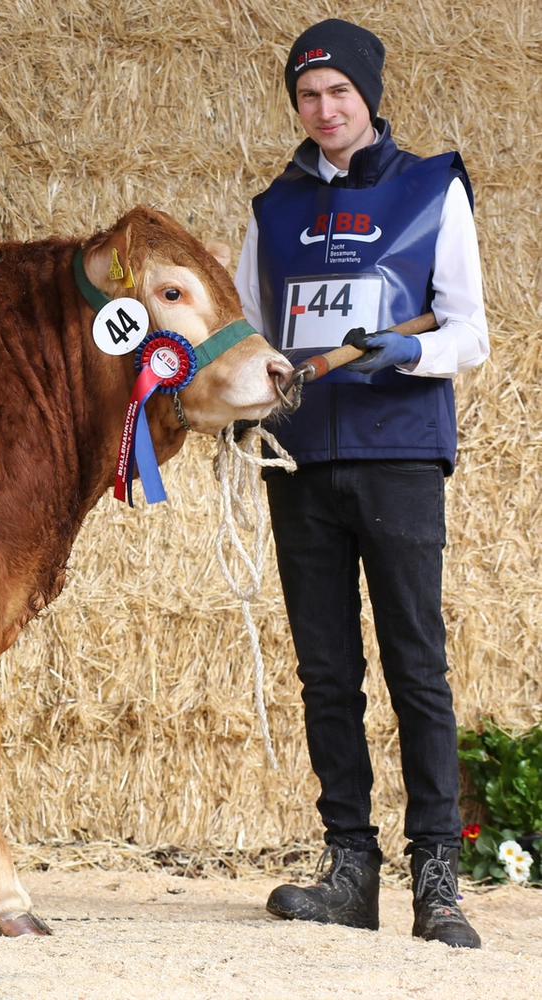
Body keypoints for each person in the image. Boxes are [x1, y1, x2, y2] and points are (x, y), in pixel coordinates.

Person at [233, 19, 489, 948]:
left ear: (370, 97)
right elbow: (250, 335)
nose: (325, 109)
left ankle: (438, 877)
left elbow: (469, 333)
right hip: (301, 460)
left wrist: (403, 347)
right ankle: (349, 865)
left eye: (340, 92)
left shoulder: (432, 189)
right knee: (326, 672)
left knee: (416, 666)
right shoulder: (271, 208)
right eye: (309, 95)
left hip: (398, 452)